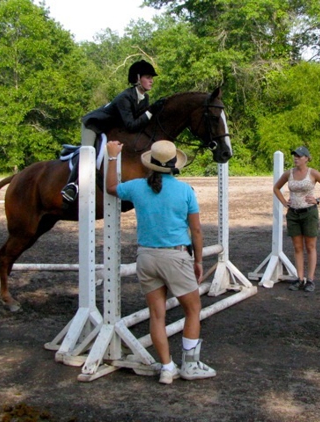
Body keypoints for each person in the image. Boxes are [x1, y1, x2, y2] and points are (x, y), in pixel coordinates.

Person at [105, 139, 216, 385]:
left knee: (157, 315)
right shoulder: (185, 190)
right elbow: (196, 231)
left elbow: (111, 186)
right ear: (174, 165)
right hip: (175, 256)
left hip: (146, 257)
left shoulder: (136, 187)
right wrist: (198, 260)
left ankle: (167, 367)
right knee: (193, 309)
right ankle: (190, 364)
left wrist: (113, 157)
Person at [61, 60, 164, 204]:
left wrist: (153, 111)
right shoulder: (125, 97)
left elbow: (141, 122)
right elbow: (131, 125)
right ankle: (71, 186)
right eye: (148, 77)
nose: (151, 81)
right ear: (138, 78)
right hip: (94, 125)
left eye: (152, 78)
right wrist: (151, 111)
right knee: (88, 152)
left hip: (111, 128)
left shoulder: (144, 98)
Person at [273, 146, 320, 292]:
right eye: (295, 155)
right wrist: (284, 202)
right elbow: (276, 188)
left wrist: (318, 200)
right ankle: (299, 278)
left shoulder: (312, 173)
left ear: (306, 158)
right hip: (293, 213)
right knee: (297, 247)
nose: (296, 158)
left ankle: (310, 279)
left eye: (299, 156)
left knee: (310, 246)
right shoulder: (289, 173)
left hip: (309, 213)